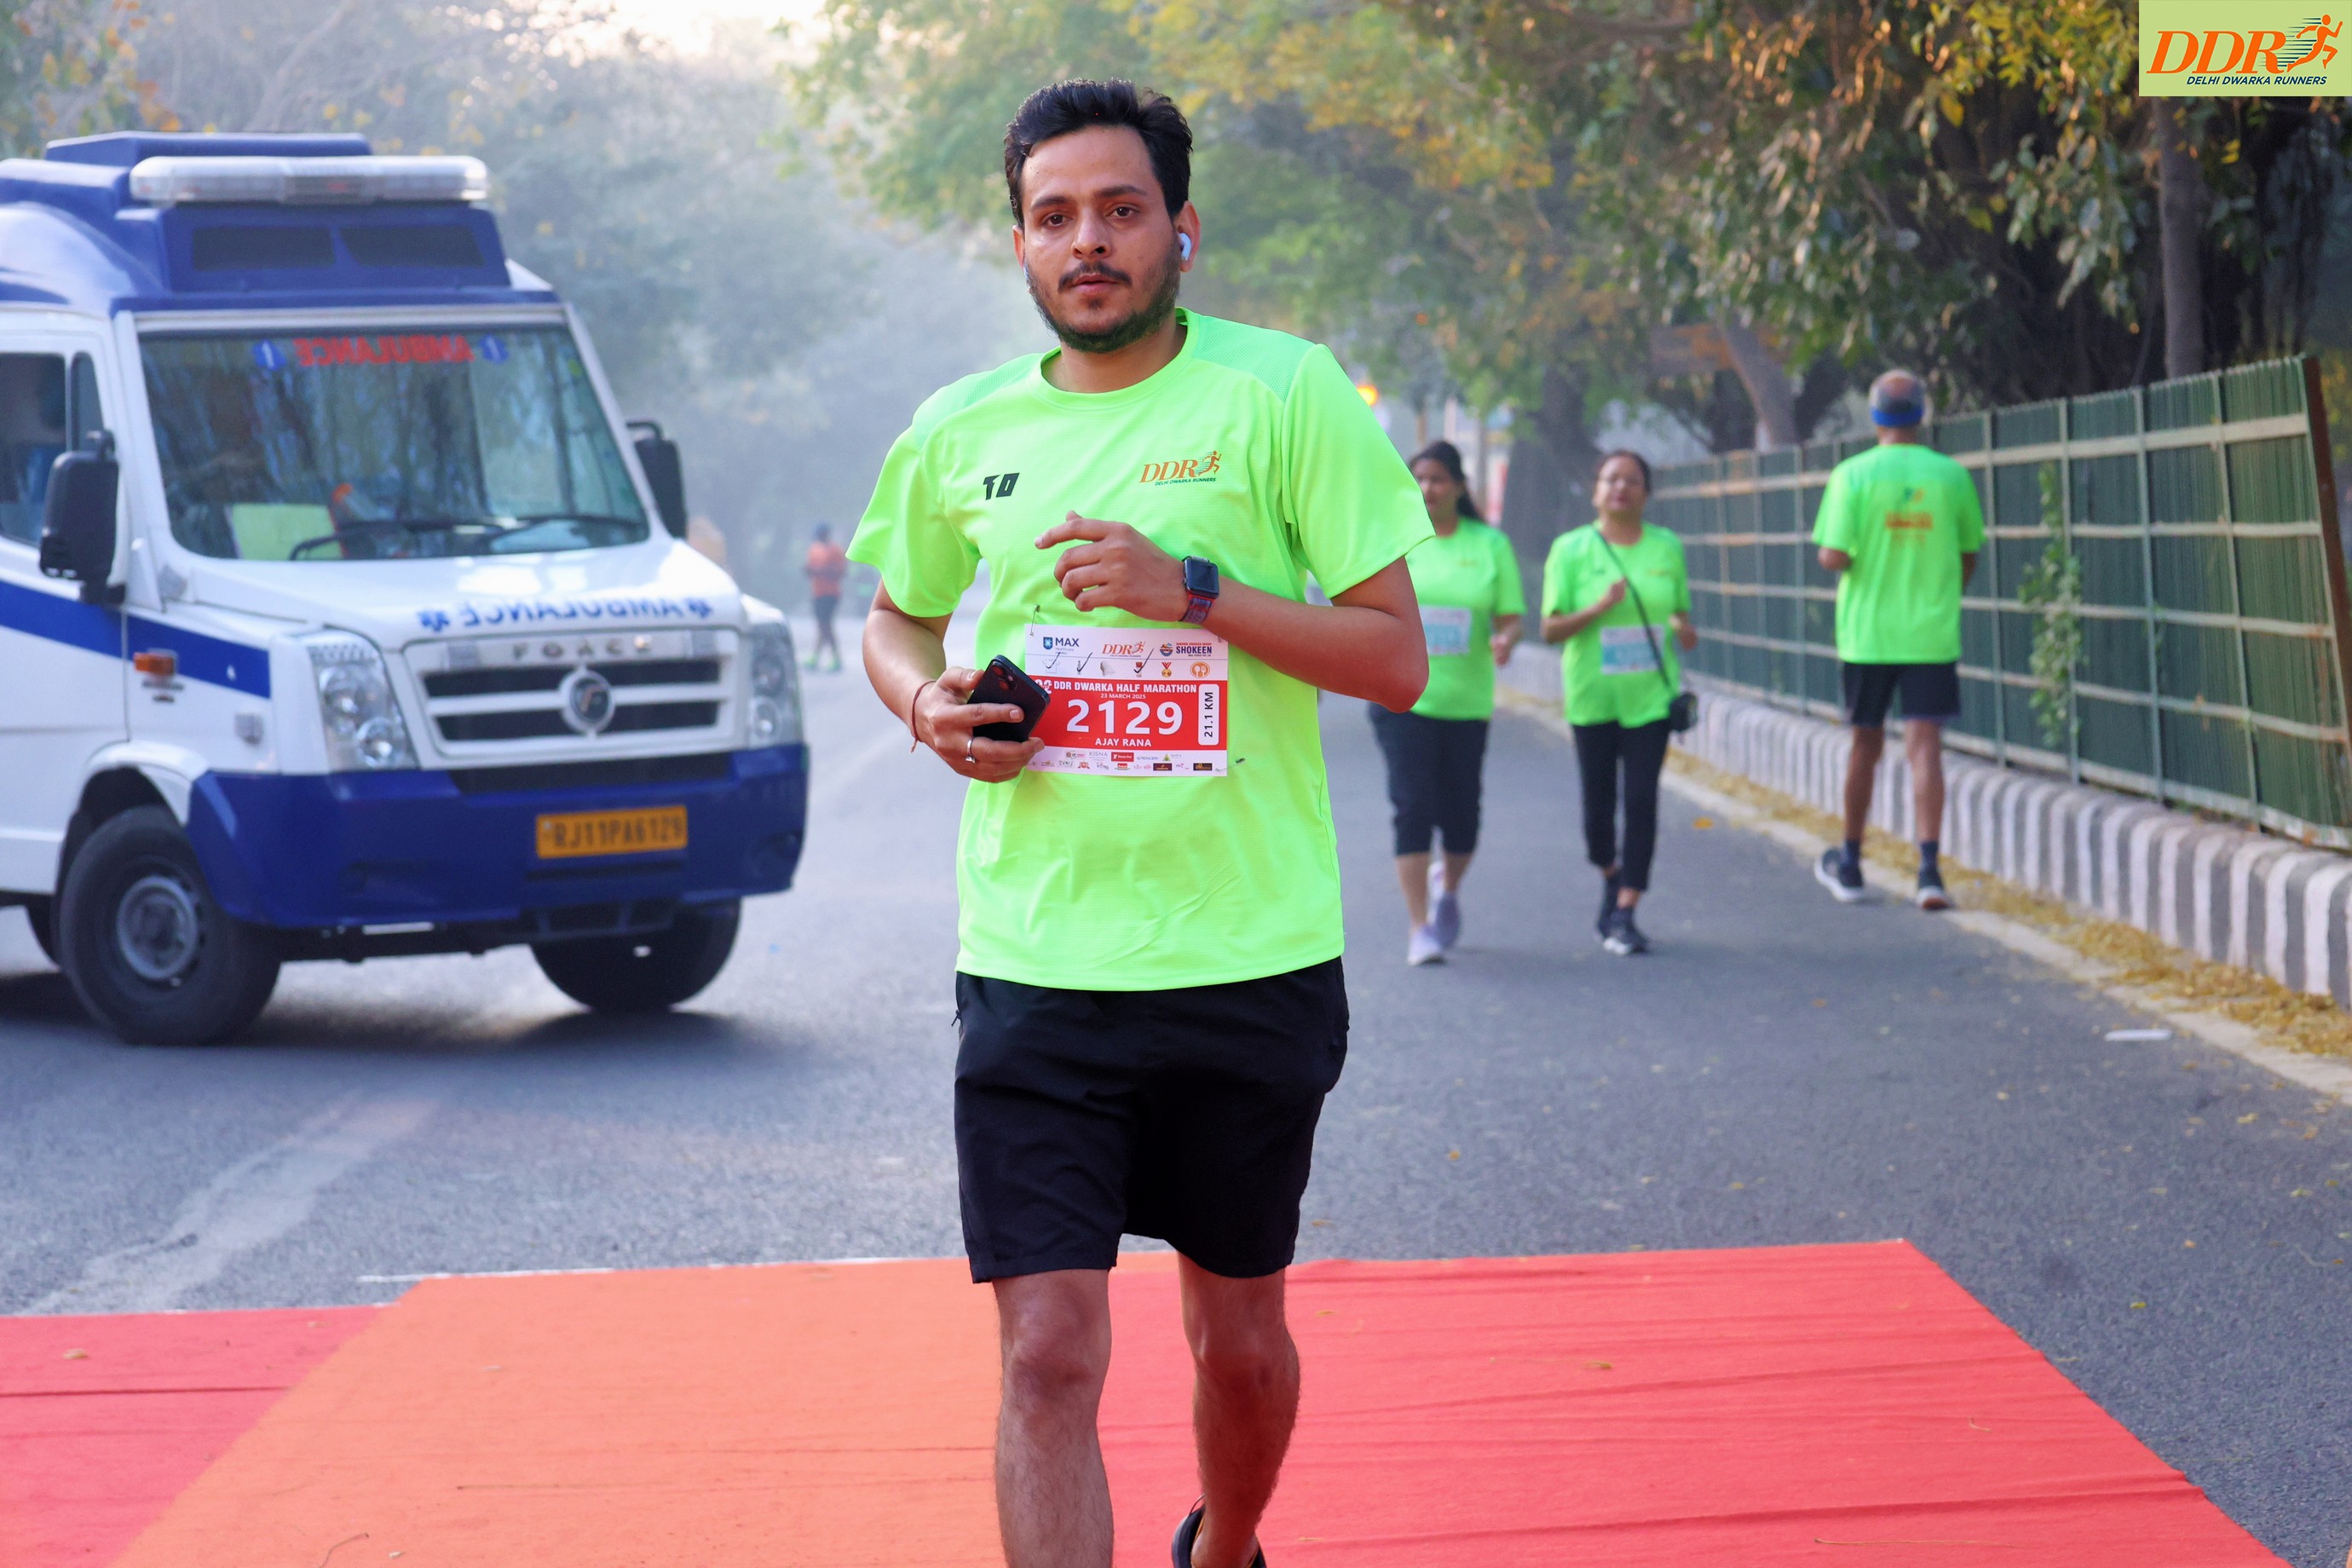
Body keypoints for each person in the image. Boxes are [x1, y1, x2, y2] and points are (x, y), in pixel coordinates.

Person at [847, 79, 1430, 1568]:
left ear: (1183, 228)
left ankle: (1226, 1547)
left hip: (1247, 953)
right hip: (1038, 961)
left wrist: (1195, 593)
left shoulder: (1283, 394)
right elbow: (895, 621)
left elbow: (1395, 659)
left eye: (1119, 210)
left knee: (1237, 1343)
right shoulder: (959, 429)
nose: (1087, 242)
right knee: (1047, 1353)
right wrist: (927, 707)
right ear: (1021, 244)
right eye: (1054, 217)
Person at [1810, 370, 1983, 911]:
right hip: (1930, 633)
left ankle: (1851, 862)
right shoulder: (1951, 476)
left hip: (1867, 635)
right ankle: (1929, 872)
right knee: (1925, 747)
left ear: (1875, 414)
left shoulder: (1852, 475)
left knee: (1865, 746)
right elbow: (1969, 552)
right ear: (1922, 413)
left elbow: (1832, 555)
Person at [1373, 439, 1524, 966]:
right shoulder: (1393, 539)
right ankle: (1419, 926)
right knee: (1412, 806)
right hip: (1401, 698)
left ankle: (1449, 885)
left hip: (1465, 702)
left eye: (1438, 478)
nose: (1428, 488)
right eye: (1419, 478)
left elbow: (1511, 618)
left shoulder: (1490, 545)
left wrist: (1505, 640)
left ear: (1460, 486)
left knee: (1462, 820)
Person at [1541, 450, 1696, 956]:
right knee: (1597, 814)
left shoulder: (1666, 547)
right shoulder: (1571, 549)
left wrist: (1683, 628)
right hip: (1593, 698)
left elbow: (1678, 611)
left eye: (1632, 481)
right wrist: (1600, 606)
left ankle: (1627, 907)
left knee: (1642, 802)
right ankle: (1612, 874)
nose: (1621, 489)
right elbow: (1550, 629)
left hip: (1651, 699)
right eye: (1611, 480)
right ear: (1595, 491)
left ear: (1647, 493)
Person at [804, 522, 849, 671]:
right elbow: (810, 569)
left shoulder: (835, 550)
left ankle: (834, 658)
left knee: (826, 625)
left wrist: (823, 571)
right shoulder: (814, 549)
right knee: (822, 625)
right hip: (817, 592)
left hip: (831, 593)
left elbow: (841, 572)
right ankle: (817, 657)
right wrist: (810, 571)